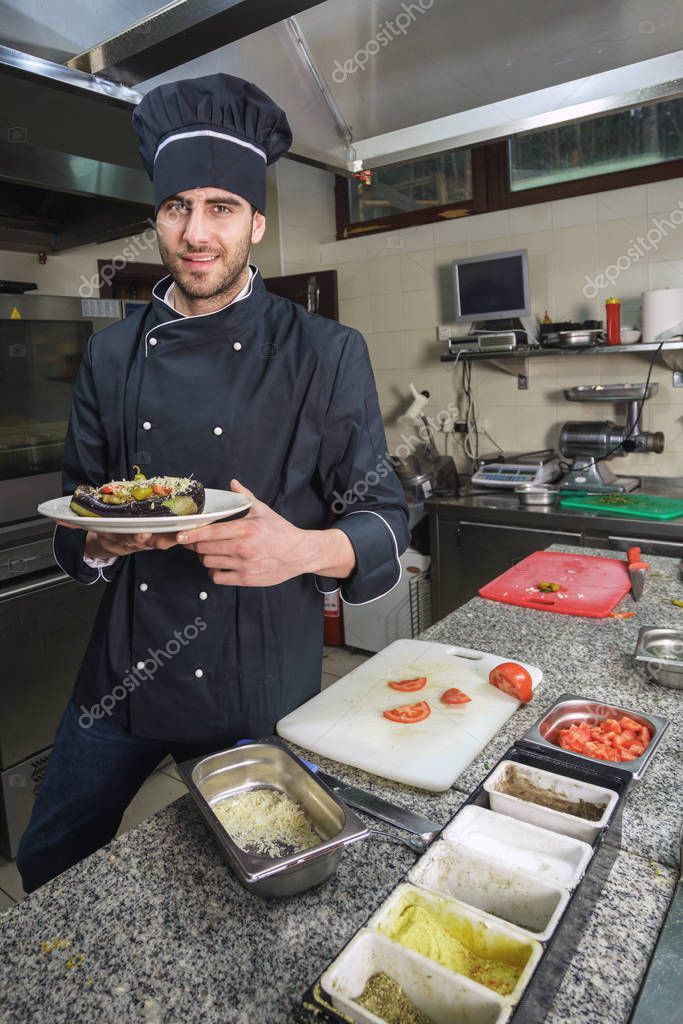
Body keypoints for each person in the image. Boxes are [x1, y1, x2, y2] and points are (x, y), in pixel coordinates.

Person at [17, 74, 409, 893]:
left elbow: (385, 515)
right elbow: (74, 512)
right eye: (176, 207)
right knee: (49, 857)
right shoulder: (111, 355)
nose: (197, 233)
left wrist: (300, 549)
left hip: (254, 682)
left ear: (256, 223)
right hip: (121, 676)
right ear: (157, 218)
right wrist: (94, 537)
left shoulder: (324, 352)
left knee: (261, 875)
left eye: (222, 208)